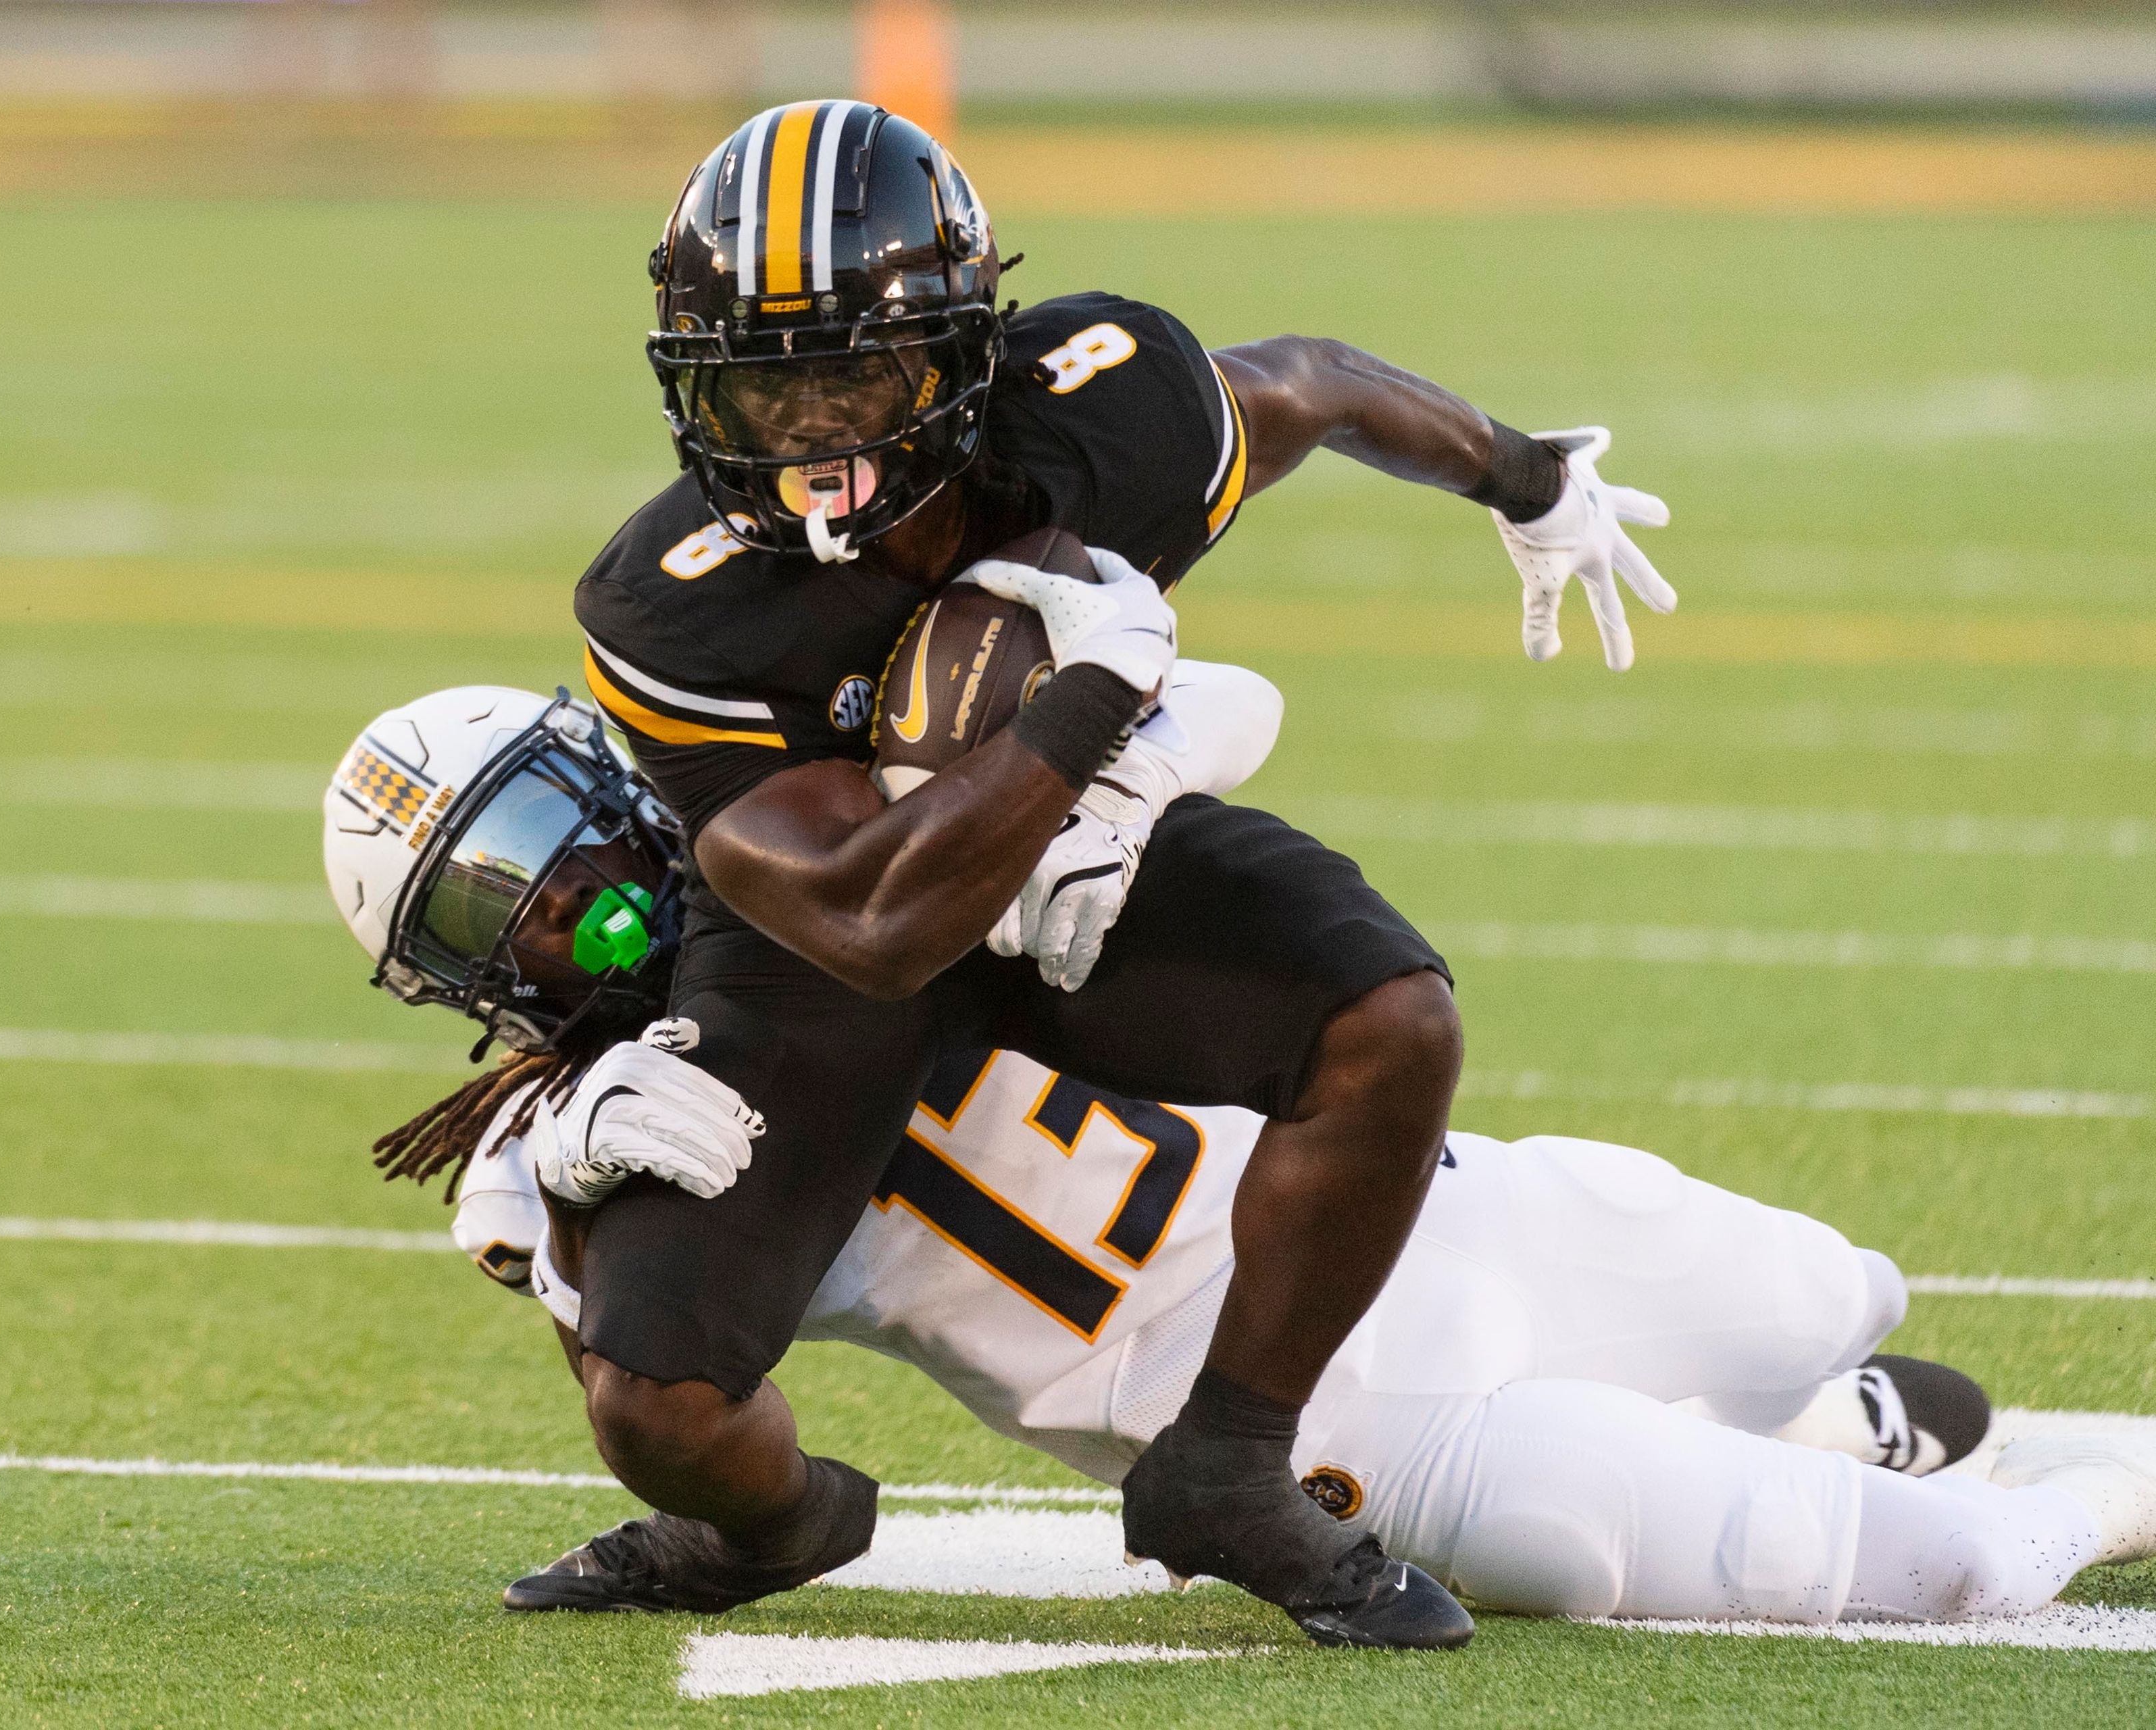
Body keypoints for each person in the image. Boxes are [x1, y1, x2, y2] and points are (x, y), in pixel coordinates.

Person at [553, 99, 1675, 1646]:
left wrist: (1525, 475)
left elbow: (1322, 384)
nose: (809, 431)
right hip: (829, 928)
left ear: (961, 358)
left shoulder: (1107, 408)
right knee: (658, 1400)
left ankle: (1226, 1460)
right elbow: (877, 928)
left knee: (1392, 1021)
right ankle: (769, 1522)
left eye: (851, 377)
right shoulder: (669, 603)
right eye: (761, 392)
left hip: (1077, 846)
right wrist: (1087, 701)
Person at [322, 685, 2156, 1629]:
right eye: (503, 903)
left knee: (1839, 1295)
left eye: (556, 836)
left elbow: (1217, 702)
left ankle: (1814, 1410)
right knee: (1967, 1575)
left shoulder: (866, 845)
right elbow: (663, 1391)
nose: (572, 906)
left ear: (618, 770)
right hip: (1355, 1434)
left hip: (1446, 1211)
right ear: (455, 981)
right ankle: (2104, 1491)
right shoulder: (568, 1167)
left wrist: (1087, 770)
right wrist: (579, 1224)